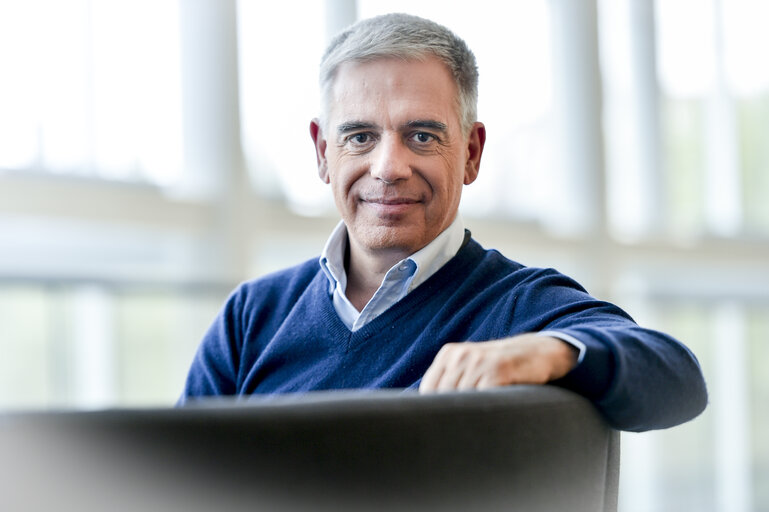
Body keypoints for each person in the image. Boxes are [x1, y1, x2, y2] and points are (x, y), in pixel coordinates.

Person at [179, 13, 707, 432]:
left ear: (472, 153)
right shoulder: (252, 316)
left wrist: (548, 350)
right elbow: (175, 477)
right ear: (322, 152)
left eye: (423, 136)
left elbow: (677, 377)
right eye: (360, 136)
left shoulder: (516, 307)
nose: (388, 168)